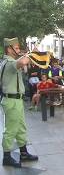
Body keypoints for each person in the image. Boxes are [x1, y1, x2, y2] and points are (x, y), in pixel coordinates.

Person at [0, 37, 38, 168]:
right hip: (11, 101)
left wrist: (26, 56)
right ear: (8, 49)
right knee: (11, 129)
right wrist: (32, 54)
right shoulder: (8, 62)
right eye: (15, 48)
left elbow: (23, 64)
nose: (18, 50)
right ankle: (6, 157)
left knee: (21, 127)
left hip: (16, 100)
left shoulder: (10, 61)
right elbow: (23, 62)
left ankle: (23, 152)